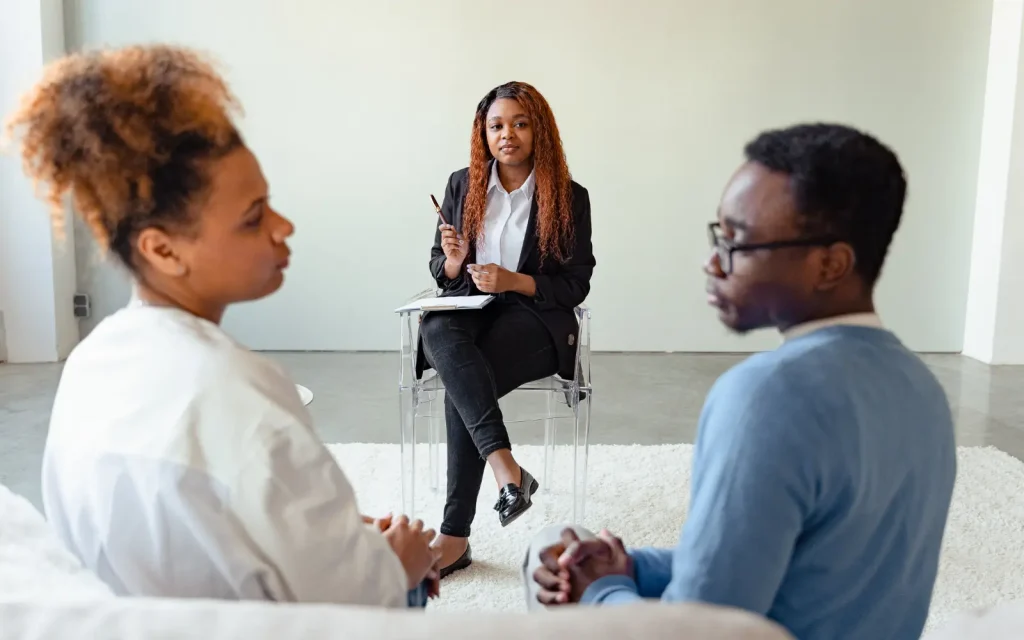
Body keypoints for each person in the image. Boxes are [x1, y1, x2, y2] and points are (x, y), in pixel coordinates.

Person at [6, 45, 441, 607]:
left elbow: (204, 508)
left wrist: (341, 529)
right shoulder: (243, 394)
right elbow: (349, 601)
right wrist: (399, 561)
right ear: (163, 249)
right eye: (253, 217)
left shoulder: (92, 362)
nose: (284, 227)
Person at [528, 123, 956, 639]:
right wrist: (635, 569)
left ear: (831, 264)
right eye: (718, 233)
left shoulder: (766, 396)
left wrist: (598, 591)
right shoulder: (923, 390)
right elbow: (795, 560)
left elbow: (700, 631)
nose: (711, 261)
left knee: (547, 549)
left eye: (737, 240)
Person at [418, 81, 595, 577]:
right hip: (471, 312)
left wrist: (513, 280)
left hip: (535, 321)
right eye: (496, 125)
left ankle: (453, 536)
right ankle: (507, 472)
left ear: (539, 130)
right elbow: (439, 263)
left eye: (519, 123)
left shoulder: (568, 196)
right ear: (483, 134)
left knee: (462, 383)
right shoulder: (462, 184)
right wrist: (452, 264)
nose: (507, 134)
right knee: (437, 329)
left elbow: (575, 282)